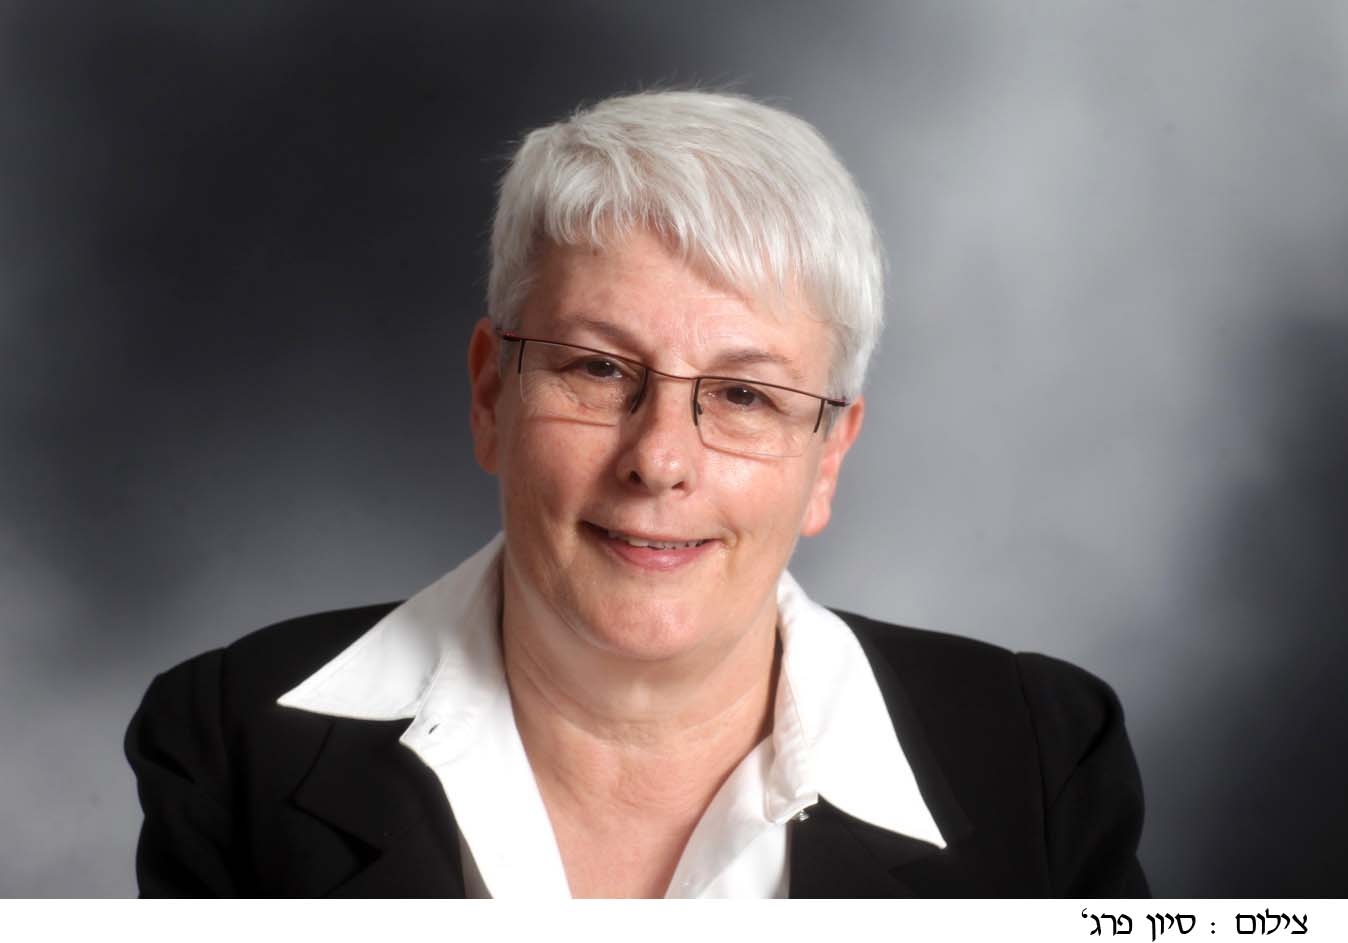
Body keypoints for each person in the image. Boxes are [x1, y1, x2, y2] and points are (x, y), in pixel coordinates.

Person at [125, 89, 1149, 898]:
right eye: (599, 370)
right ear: (493, 393)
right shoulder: (236, 743)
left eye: (745, 393)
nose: (659, 459)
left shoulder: (1038, 756)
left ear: (827, 452)